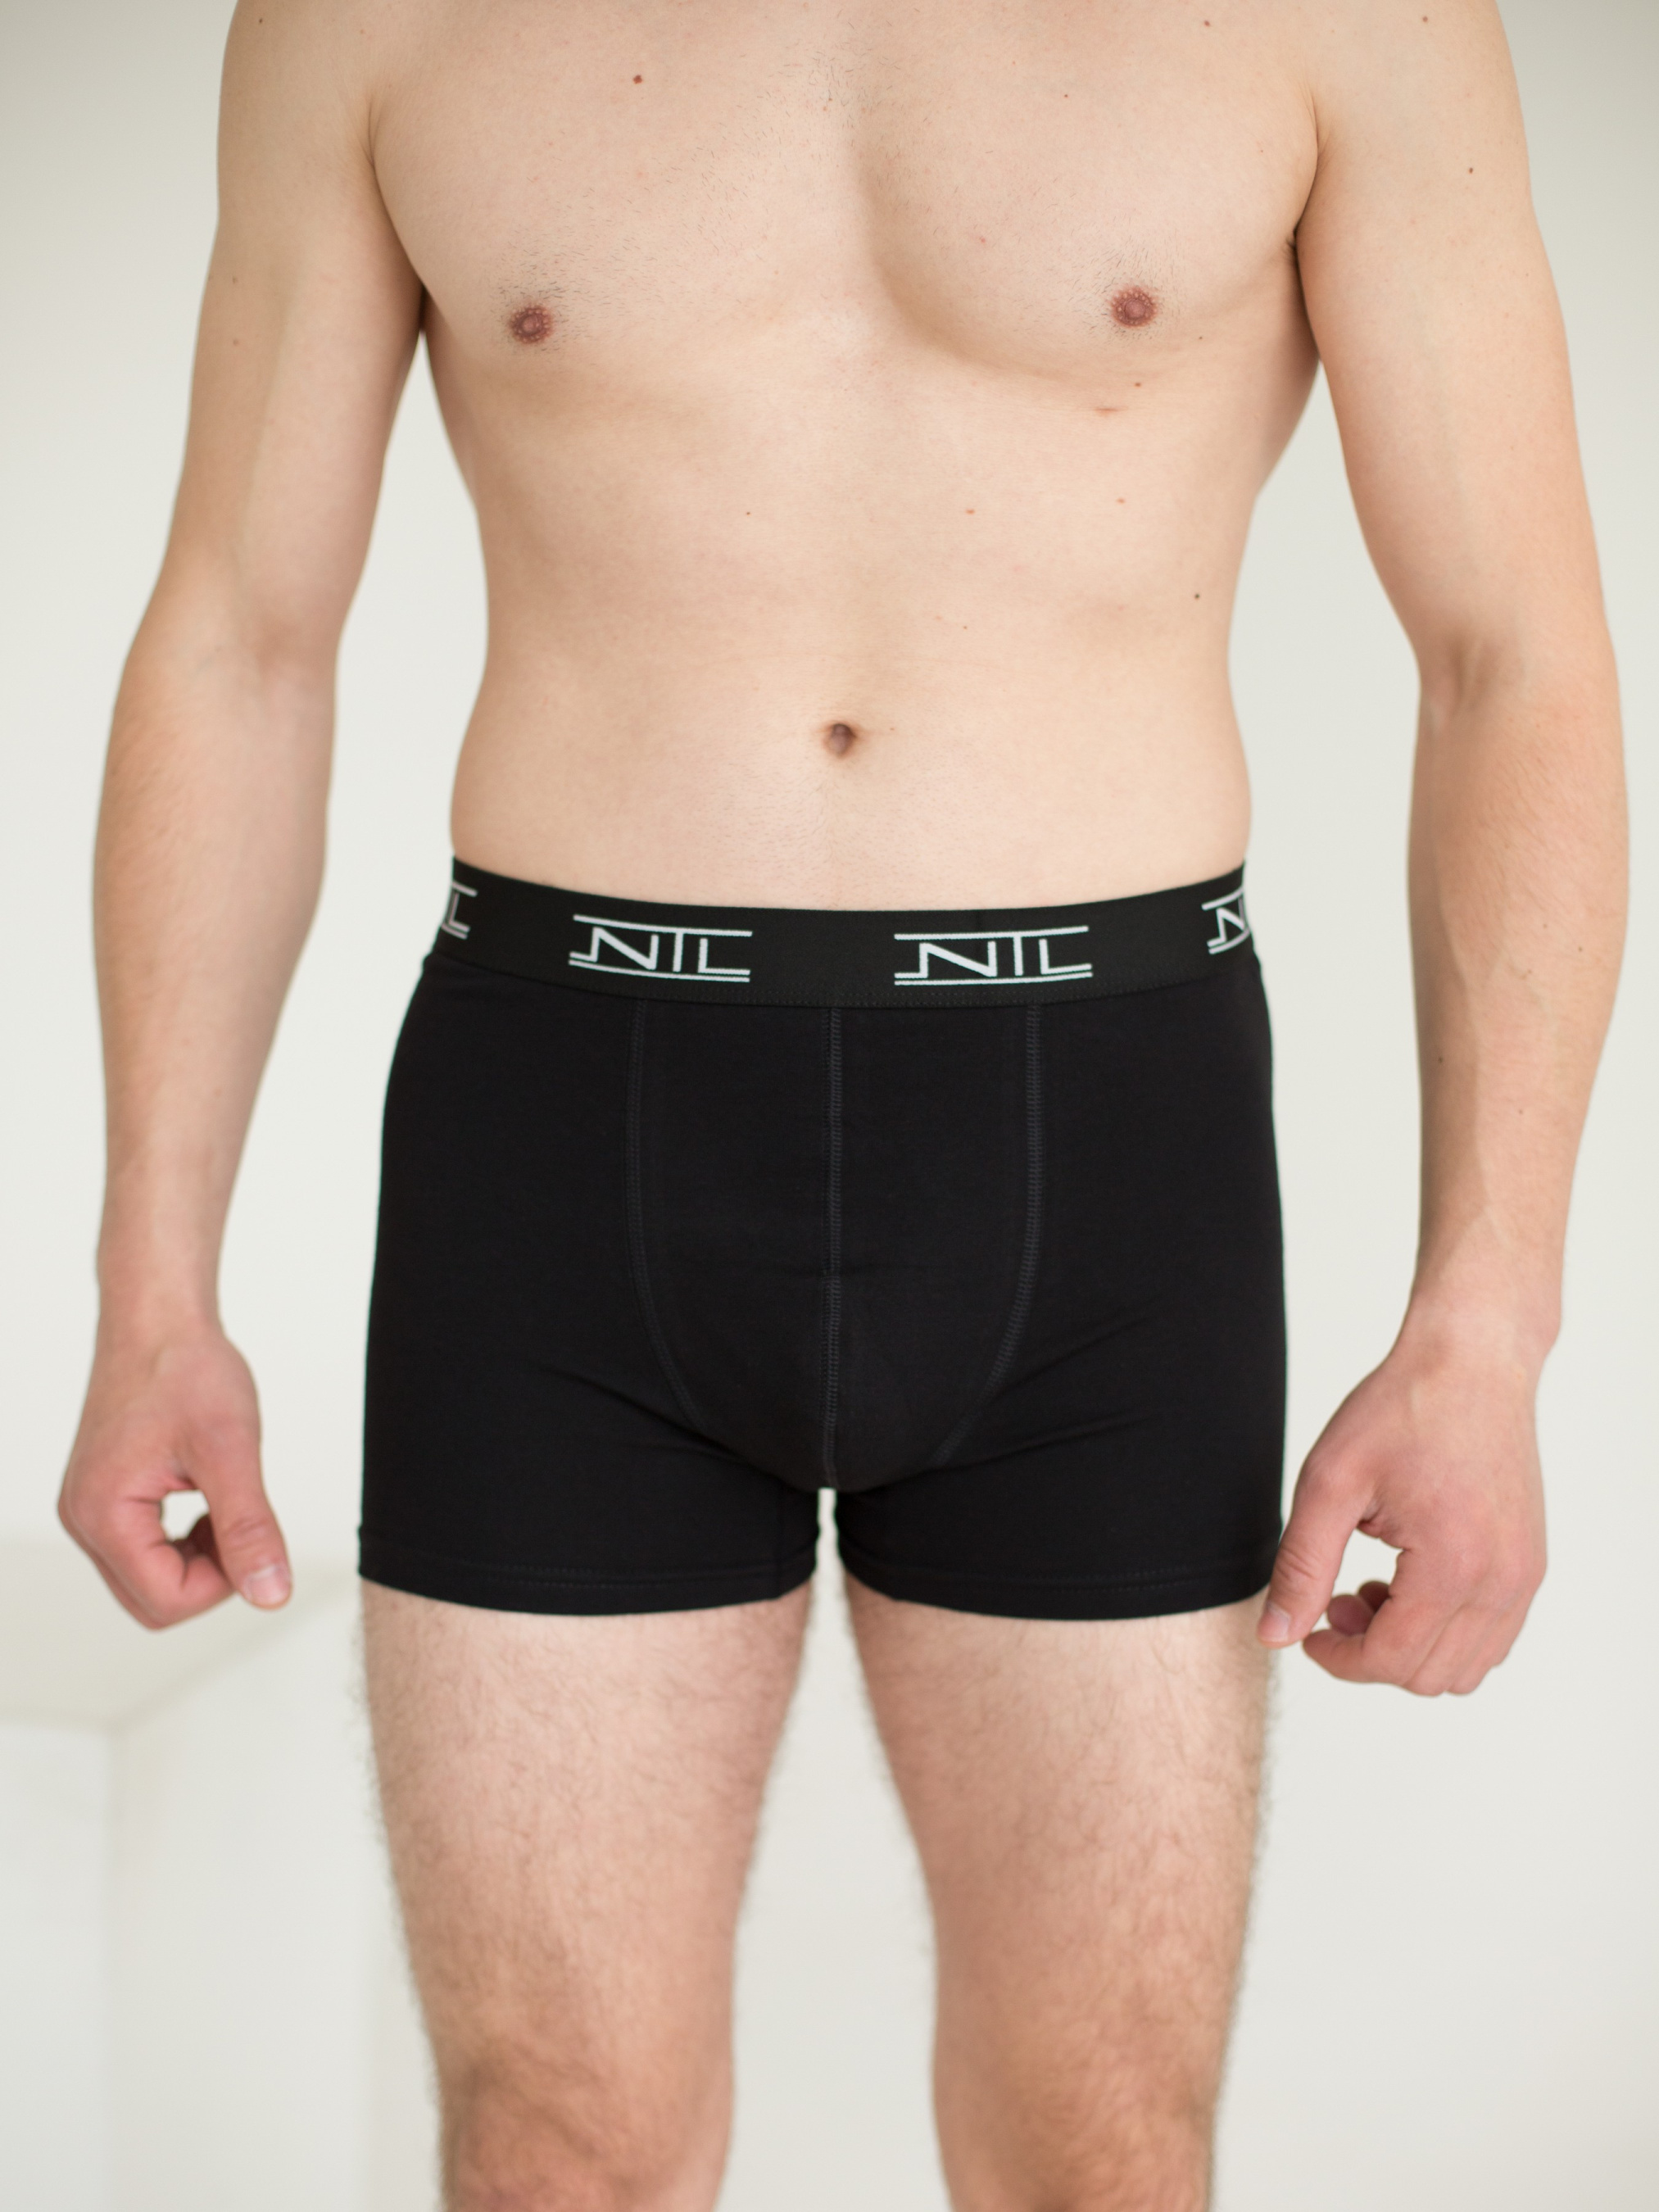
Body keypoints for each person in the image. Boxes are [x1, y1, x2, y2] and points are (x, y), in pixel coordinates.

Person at [58, 0, 1625, 2203]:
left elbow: (1512, 654)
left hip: (1102, 1143)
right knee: (551, 2151)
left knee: (1101, 2154)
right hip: (566, 1128)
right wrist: (150, 1280)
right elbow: (239, 634)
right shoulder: (370, 19)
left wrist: (1491, 1319)